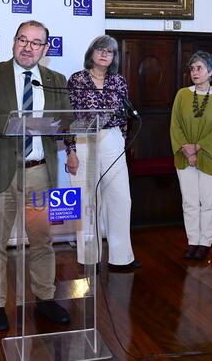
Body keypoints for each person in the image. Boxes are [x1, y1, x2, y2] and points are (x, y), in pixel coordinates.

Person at [0, 20, 79, 331]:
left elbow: (66, 120)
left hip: (40, 173)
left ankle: (44, 299)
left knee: (42, 241)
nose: (28, 47)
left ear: (45, 49)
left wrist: (56, 125)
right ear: (13, 42)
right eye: (22, 40)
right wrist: (18, 124)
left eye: (35, 43)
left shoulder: (55, 79)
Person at [67, 35, 140, 271]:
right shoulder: (76, 79)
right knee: (87, 201)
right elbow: (68, 117)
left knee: (120, 199)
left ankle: (121, 258)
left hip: (112, 139)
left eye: (109, 51)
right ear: (92, 53)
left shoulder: (118, 81)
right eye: (100, 49)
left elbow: (125, 116)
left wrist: (120, 139)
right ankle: (90, 258)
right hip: (84, 140)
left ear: (114, 57)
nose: (105, 54)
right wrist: (71, 150)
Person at [170, 51, 212, 261]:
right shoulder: (182, 95)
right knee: (189, 202)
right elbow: (175, 125)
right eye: (192, 68)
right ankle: (192, 241)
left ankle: (205, 242)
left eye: (200, 68)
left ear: (210, 72)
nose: (195, 72)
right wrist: (186, 149)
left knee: (209, 202)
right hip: (184, 156)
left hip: (210, 157)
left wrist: (197, 147)